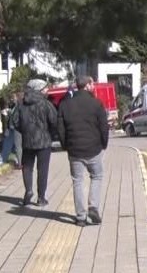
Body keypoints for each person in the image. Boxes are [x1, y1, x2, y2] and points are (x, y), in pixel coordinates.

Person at [57, 75, 108, 227]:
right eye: (92, 84)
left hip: (74, 150)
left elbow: (61, 128)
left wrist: (65, 145)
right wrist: (104, 144)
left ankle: (80, 217)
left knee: (77, 181)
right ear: (87, 85)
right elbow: (103, 126)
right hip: (94, 148)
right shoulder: (96, 103)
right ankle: (93, 207)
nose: (94, 86)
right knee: (97, 176)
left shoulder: (65, 105)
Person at [9, 79, 57, 207]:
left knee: (27, 168)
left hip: (27, 142)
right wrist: (50, 134)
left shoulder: (21, 104)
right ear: (39, 89)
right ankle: (41, 198)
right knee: (43, 170)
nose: (47, 90)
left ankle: (28, 190)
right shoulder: (46, 104)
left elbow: (14, 122)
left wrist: (24, 131)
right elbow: (54, 121)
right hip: (44, 142)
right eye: (45, 88)